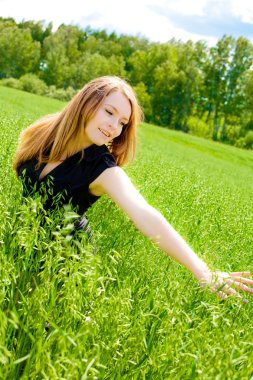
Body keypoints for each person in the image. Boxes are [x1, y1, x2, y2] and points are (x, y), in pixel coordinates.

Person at [13, 75, 253, 302]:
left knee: (38, 329)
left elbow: (146, 214)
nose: (113, 127)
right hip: (27, 244)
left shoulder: (103, 169)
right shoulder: (45, 130)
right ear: (86, 102)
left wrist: (203, 272)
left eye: (122, 123)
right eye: (109, 112)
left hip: (67, 257)